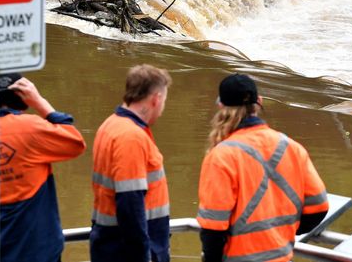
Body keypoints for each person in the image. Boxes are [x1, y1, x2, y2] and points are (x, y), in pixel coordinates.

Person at [0, 73, 86, 262]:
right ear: (21, 97)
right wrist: (39, 102)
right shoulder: (32, 128)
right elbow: (76, 143)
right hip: (37, 254)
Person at [197, 73, 329, 262]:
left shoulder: (222, 155)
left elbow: (213, 227)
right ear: (259, 101)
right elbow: (319, 206)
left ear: (221, 105)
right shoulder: (292, 147)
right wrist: (282, 231)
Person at [90, 64, 172, 262]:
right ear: (156, 99)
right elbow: (130, 202)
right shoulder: (131, 137)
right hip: (127, 250)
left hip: (110, 244)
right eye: (164, 101)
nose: (162, 109)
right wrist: (142, 255)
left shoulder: (110, 125)